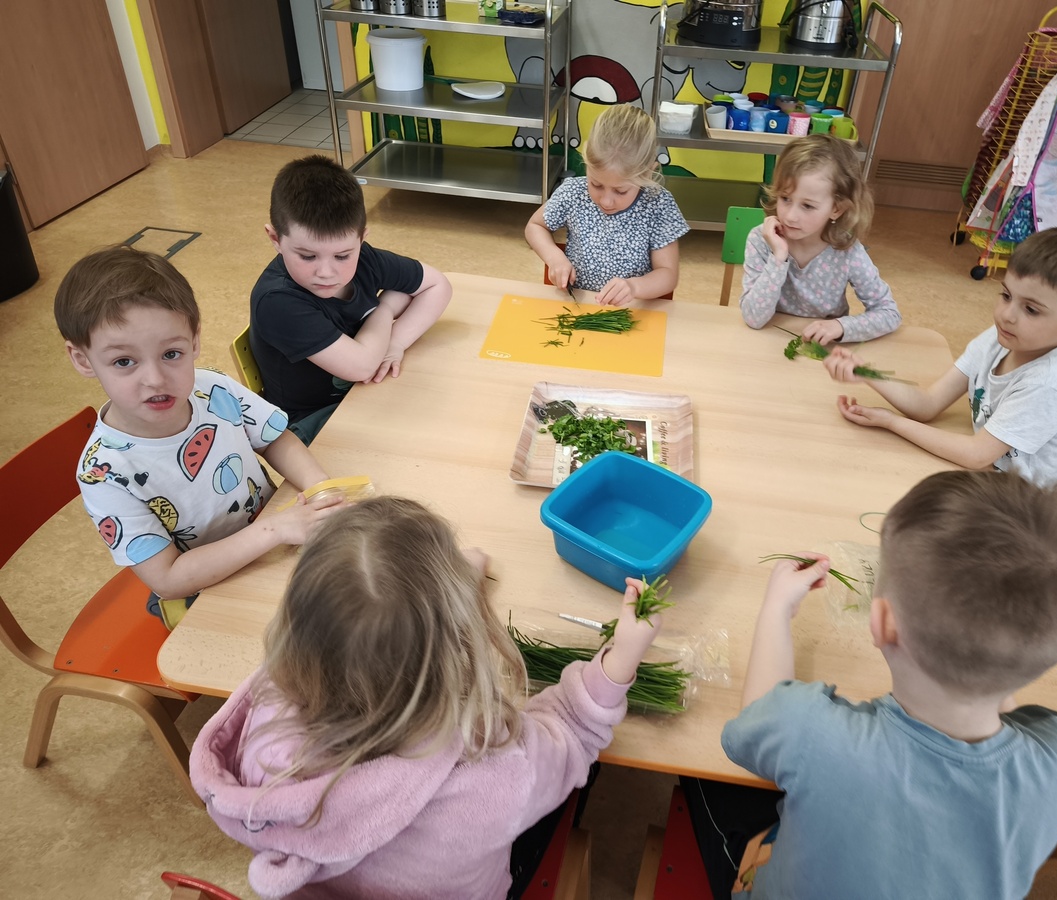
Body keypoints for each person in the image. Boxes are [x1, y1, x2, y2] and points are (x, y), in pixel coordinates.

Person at [190, 496, 664, 900]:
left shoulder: (268, 712)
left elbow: (358, 636)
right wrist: (621, 657)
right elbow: (574, 733)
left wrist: (443, 598)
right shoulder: (491, 769)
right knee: (585, 774)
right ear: (459, 642)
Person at [689, 469, 1057, 899]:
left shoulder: (812, 731)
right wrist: (998, 669)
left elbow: (756, 716)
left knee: (703, 769)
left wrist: (777, 608)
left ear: (882, 622)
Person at [55, 246, 340, 628]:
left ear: (194, 341)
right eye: (124, 361)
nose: (155, 379)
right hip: (202, 593)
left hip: (275, 544)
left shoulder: (213, 388)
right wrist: (275, 530)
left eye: (171, 354)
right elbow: (168, 579)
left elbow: (274, 439)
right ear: (82, 359)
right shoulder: (103, 473)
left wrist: (322, 490)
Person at [825, 224, 1057, 487]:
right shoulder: (1000, 338)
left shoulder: (1050, 384)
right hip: (987, 478)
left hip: (1027, 511)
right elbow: (928, 404)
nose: (1006, 315)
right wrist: (867, 373)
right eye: (1006, 295)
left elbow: (976, 455)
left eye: (1031, 309)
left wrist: (892, 423)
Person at [251, 155, 452, 445]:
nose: (326, 272)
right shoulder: (278, 301)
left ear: (361, 239)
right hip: (314, 421)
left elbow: (437, 285)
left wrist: (395, 344)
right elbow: (362, 367)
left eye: (343, 255)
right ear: (275, 238)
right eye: (307, 256)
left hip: (365, 395)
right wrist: (385, 308)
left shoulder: (364, 258)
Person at [740, 133, 900, 344]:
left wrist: (841, 327)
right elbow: (753, 318)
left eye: (807, 206)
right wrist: (778, 258)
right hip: (768, 341)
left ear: (836, 208)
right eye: (785, 198)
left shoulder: (847, 251)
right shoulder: (761, 239)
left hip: (823, 349)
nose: (790, 216)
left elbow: (889, 313)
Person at [525, 104, 688, 306]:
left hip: (632, 311)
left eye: (620, 191)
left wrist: (634, 287)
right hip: (579, 306)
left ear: (647, 172)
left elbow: (668, 274)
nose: (606, 201)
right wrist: (554, 258)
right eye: (596, 184)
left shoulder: (658, 205)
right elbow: (535, 226)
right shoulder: (573, 193)